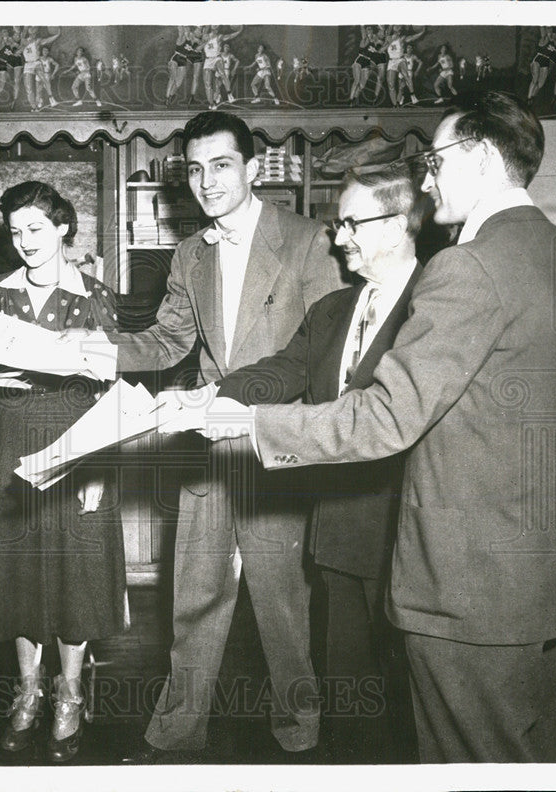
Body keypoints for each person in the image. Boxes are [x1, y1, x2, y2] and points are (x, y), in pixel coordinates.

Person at [161, 91, 556, 764]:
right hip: (547, 579)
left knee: (469, 762)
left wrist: (245, 424)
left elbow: (386, 415)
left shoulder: (468, 265)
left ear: (482, 157)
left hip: (467, 590)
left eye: (436, 159)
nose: (425, 178)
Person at [87, 111, 345, 762]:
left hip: (273, 443)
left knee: (284, 606)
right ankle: (176, 735)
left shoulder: (311, 241)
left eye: (221, 165)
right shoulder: (189, 253)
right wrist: (93, 351)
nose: (206, 181)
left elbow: (328, 352)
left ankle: (301, 734)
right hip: (207, 447)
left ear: (254, 169)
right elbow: (167, 339)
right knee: (193, 597)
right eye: (195, 169)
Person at [211, 166, 424, 762]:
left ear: (402, 223)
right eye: (338, 223)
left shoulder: (437, 302)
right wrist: (214, 397)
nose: (338, 238)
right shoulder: (334, 307)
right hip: (338, 532)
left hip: (413, 538)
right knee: (352, 698)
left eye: (354, 223)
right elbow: (285, 370)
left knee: (417, 703)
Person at [0, 181, 126, 763]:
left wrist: (99, 469)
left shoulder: (96, 296)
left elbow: (115, 391)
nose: (25, 241)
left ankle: (70, 695)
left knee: (74, 577)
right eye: (15, 231)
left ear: (63, 228)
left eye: (36, 228)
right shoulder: (0, 294)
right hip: (9, 444)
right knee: (17, 576)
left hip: (76, 442)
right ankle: (29, 691)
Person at [200, 25, 242, 109]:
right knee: (208, 84)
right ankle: (212, 104)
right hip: (208, 60)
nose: (215, 28)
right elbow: (198, 45)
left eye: (217, 27)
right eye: (214, 26)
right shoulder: (205, 36)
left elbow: (230, 36)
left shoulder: (219, 37)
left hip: (217, 58)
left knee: (222, 74)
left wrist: (239, 31)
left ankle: (229, 94)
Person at [20, 26, 60, 110]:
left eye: (35, 31)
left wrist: (57, 35)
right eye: (32, 30)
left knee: (45, 80)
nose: (34, 32)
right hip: (28, 65)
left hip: (37, 63)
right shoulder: (23, 41)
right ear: (28, 31)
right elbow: (21, 38)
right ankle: (34, 107)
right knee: (29, 88)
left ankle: (51, 98)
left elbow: (47, 40)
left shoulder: (37, 41)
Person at [385, 26, 424, 107]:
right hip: (392, 61)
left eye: (399, 30)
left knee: (406, 76)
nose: (398, 31)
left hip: (400, 60)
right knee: (391, 85)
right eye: (396, 30)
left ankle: (413, 95)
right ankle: (395, 104)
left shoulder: (402, 39)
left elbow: (413, 37)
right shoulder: (388, 38)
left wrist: (421, 33)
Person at [34, 45, 60, 109]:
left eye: (46, 50)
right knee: (39, 90)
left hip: (46, 75)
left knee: (48, 88)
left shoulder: (49, 59)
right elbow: (35, 68)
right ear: (42, 51)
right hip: (39, 75)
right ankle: (39, 103)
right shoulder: (38, 59)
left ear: (48, 52)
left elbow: (57, 65)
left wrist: (53, 74)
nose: (45, 52)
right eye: (44, 50)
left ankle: (52, 101)